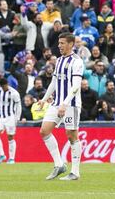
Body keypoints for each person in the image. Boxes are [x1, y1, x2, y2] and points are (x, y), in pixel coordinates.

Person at [38, 32, 84, 180]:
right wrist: (44, 99)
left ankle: (75, 172)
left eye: (62, 43)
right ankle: (59, 165)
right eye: (59, 43)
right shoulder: (58, 60)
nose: (59, 46)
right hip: (57, 103)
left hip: (71, 104)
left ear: (71, 44)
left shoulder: (77, 62)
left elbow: (76, 86)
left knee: (71, 135)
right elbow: (54, 82)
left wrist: (65, 103)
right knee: (44, 131)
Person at [0, 78, 21, 164]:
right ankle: (2, 155)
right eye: (2, 86)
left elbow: (18, 105)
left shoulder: (14, 93)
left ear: (7, 84)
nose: (3, 87)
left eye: (4, 86)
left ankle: (11, 158)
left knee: (10, 137)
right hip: (1, 117)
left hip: (10, 117)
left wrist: (17, 118)